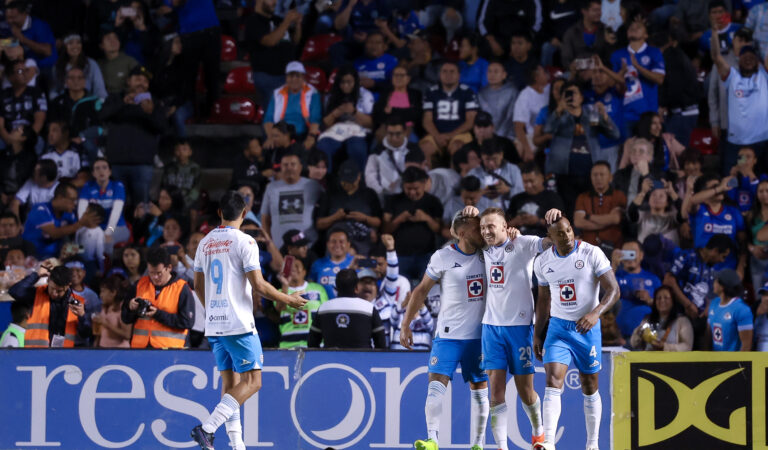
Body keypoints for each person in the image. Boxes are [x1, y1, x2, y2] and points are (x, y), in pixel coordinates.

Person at [190, 190, 306, 449]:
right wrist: (288, 299)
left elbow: (197, 285)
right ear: (244, 213)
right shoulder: (245, 242)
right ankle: (207, 429)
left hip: (215, 323)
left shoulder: (204, 242)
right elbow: (260, 286)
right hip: (239, 323)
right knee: (253, 382)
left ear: (219, 213)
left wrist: (211, 309)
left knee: (231, 386)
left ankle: (236, 445)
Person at [474, 207, 562, 449]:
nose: (486, 231)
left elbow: (554, 240)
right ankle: (502, 446)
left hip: (520, 328)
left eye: (491, 226)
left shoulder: (523, 243)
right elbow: (456, 234)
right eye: (482, 227)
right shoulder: (481, 250)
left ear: (505, 226)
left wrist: (554, 218)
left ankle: (538, 431)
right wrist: (470, 212)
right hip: (491, 328)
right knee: (496, 392)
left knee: (526, 392)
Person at [401, 211, 489, 450]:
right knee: (435, 384)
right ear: (461, 233)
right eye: (475, 228)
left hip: (479, 337)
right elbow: (420, 291)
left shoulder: (490, 251)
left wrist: (475, 210)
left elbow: (501, 229)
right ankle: (432, 440)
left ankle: (479, 443)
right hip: (448, 336)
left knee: (479, 387)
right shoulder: (443, 256)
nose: (482, 232)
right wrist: (405, 324)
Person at [533, 216, 620, 450]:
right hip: (559, 328)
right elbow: (543, 300)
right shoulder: (542, 262)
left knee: (589, 385)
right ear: (550, 238)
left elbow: (614, 290)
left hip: (587, 328)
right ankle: (548, 442)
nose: (567, 236)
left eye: (569, 230)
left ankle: (592, 444)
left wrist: (596, 313)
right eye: (560, 233)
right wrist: (537, 333)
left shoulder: (592, 253)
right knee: (552, 381)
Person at [100, 65, 166, 205]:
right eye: (137, 79)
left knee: (142, 207)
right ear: (128, 81)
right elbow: (102, 116)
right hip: (116, 163)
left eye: (145, 81)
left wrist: (150, 113)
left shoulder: (154, 103)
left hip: (142, 164)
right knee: (116, 206)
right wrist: (123, 103)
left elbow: (162, 128)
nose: (141, 83)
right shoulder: (115, 98)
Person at [711, 19, 768, 172]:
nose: (748, 58)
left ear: (757, 59)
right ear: (739, 60)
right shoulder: (732, 77)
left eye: (752, 56)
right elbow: (717, 57)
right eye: (745, 56)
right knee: (733, 178)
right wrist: (715, 34)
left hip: (762, 142)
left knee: (761, 179)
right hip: (738, 143)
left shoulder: (764, 74)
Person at [663, 233, 732, 348]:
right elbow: (668, 280)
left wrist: (707, 308)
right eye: (723, 256)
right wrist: (688, 304)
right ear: (714, 251)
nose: (722, 260)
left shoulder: (710, 268)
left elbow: (707, 293)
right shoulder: (687, 256)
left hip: (698, 320)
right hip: (679, 316)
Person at [121, 247, 194, 349]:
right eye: (151, 272)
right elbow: (125, 319)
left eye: (159, 273)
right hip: (140, 349)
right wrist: (130, 308)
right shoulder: (139, 284)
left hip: (171, 351)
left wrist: (158, 314)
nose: (155, 277)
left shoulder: (182, 288)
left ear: (169, 268)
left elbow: (187, 322)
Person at [382, 167, 443, 281]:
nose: (412, 192)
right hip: (400, 256)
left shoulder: (433, 201)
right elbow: (385, 230)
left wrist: (426, 218)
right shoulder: (393, 201)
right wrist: (399, 219)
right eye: (408, 188)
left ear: (424, 184)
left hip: (426, 255)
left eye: (416, 188)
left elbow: (439, 229)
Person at [608, 17, 665, 136]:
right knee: (627, 151)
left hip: (647, 114)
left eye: (638, 27)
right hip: (624, 114)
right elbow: (614, 85)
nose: (634, 29)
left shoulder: (654, 52)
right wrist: (622, 72)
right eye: (631, 28)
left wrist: (638, 67)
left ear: (646, 35)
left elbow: (659, 79)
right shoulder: (617, 55)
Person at [9, 262, 88, 348]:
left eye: (59, 291)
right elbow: (14, 292)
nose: (54, 293)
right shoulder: (36, 294)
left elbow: (85, 334)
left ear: (68, 286)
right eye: (52, 288)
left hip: (64, 355)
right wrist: (36, 275)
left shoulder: (77, 304)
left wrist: (82, 316)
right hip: (37, 354)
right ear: (48, 280)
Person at [315, 160, 381, 256]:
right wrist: (335, 217)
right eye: (345, 182)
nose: (348, 185)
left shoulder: (369, 194)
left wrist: (364, 218)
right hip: (336, 246)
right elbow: (319, 224)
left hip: (362, 244)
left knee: (362, 269)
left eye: (351, 181)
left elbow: (378, 222)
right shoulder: (330, 194)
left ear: (359, 176)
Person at [308, 268, 387, 349]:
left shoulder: (323, 309)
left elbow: (312, 343)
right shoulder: (369, 308)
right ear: (356, 287)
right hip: (363, 360)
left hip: (331, 360)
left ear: (336, 287)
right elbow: (381, 344)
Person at [259, 150, 323, 249]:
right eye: (285, 165)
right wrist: (269, 243)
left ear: (300, 167)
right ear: (281, 168)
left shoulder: (313, 185)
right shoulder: (271, 187)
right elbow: (265, 219)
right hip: (279, 248)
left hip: (308, 247)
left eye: (293, 164)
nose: (289, 168)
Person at [316, 65, 374, 171]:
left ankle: (359, 181)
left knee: (357, 149)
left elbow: (371, 123)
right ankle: (326, 181)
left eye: (349, 82)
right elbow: (324, 124)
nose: (345, 85)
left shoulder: (365, 95)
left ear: (355, 81)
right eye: (342, 82)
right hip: (336, 130)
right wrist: (335, 113)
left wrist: (354, 112)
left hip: (357, 129)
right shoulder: (331, 96)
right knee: (323, 147)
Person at [22, 182, 99, 259]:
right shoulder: (40, 209)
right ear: (60, 197)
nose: (75, 203)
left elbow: (76, 233)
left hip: (58, 254)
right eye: (72, 199)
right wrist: (81, 223)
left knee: (85, 250)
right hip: (34, 256)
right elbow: (54, 233)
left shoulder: (69, 214)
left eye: (76, 200)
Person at [687, 174, 747, 272]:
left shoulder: (734, 212)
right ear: (704, 192)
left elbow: (743, 242)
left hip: (728, 269)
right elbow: (693, 200)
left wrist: (741, 268)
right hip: (700, 269)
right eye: (714, 187)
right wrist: (719, 188)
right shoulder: (699, 210)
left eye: (719, 185)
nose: (721, 188)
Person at [245, 0, 303, 101]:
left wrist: (298, 25)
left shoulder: (278, 20)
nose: (275, 2)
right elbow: (269, 41)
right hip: (268, 76)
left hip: (287, 76)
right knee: (275, 114)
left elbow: (295, 40)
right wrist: (287, 22)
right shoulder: (253, 21)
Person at [421, 61, 478, 160]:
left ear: (459, 75)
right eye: (444, 71)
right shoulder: (431, 92)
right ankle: (428, 175)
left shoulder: (467, 92)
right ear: (440, 74)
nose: (448, 75)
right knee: (425, 147)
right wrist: (437, 136)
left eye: (452, 72)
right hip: (436, 134)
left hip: (459, 134)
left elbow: (471, 121)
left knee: (458, 147)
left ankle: (458, 175)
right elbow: (427, 120)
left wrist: (450, 135)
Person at [263, 61, 322, 150]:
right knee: (267, 148)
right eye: (291, 75)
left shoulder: (312, 92)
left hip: (303, 133)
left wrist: (311, 137)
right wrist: (271, 137)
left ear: (303, 77)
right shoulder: (277, 93)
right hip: (281, 133)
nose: (294, 79)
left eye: (297, 76)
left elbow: (315, 118)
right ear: (286, 78)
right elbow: (268, 118)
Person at [611, 241, 662, 341]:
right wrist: (613, 265)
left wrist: (649, 300)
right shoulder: (615, 276)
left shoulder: (654, 279)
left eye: (633, 253)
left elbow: (665, 306)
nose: (629, 257)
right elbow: (603, 292)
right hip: (619, 337)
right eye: (626, 253)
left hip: (647, 337)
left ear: (641, 255)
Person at [573, 161, 627, 250]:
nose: (598, 178)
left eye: (602, 175)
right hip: (587, 248)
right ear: (590, 177)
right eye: (595, 175)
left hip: (613, 247)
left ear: (610, 177)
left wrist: (588, 216)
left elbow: (616, 219)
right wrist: (608, 220)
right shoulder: (582, 197)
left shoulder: (619, 195)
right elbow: (578, 222)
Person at [276, 258, 327, 348]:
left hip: (316, 345)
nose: (294, 269)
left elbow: (325, 313)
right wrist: (285, 284)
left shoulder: (318, 289)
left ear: (304, 272)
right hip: (288, 345)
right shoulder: (280, 291)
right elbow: (280, 309)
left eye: (297, 266)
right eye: (291, 267)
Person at [365, 115, 419, 201]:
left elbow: (422, 175)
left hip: (409, 196)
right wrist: (380, 191)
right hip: (384, 197)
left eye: (398, 134)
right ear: (386, 132)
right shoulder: (377, 151)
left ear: (405, 132)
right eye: (390, 134)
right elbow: (370, 175)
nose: (394, 138)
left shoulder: (414, 150)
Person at [508, 163, 566, 237]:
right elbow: (504, 226)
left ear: (541, 178)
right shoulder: (516, 199)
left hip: (545, 240)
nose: (529, 185)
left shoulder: (553, 198)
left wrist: (538, 221)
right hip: (519, 241)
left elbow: (562, 224)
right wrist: (515, 221)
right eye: (525, 182)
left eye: (531, 181)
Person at [630, 286, 694, 351]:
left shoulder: (683, 321)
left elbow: (687, 347)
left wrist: (664, 347)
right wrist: (638, 333)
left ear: (673, 301)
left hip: (671, 360)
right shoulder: (647, 319)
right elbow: (634, 344)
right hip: (649, 360)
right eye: (658, 298)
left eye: (666, 298)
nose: (662, 300)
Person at [0, 60, 47, 147]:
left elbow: (39, 120)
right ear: (11, 76)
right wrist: (8, 139)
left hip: (29, 136)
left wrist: (27, 138)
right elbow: (0, 125)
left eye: (26, 70)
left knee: (39, 142)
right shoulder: (3, 95)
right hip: (7, 136)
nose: (25, 74)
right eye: (20, 71)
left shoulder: (36, 93)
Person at [467, 139, 524, 210]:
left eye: (494, 159)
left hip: (508, 213)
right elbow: (465, 195)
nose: (491, 163)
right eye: (487, 159)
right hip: (482, 213)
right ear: (482, 157)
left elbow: (522, 191)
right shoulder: (473, 173)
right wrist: (480, 193)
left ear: (501, 155)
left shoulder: (513, 169)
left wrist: (508, 191)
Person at [4, 0, 57, 74]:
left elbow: (47, 51)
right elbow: (11, 43)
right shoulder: (11, 27)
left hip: (46, 68)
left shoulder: (39, 25)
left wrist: (22, 38)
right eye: (8, 18)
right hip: (25, 68)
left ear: (24, 14)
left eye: (13, 17)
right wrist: (5, 43)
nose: (10, 21)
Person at [707, 269, 753, 351]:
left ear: (722, 287)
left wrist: (737, 363)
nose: (713, 283)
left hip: (732, 362)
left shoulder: (742, 309)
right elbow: (708, 334)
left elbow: (746, 345)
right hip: (715, 360)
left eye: (715, 281)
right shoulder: (713, 303)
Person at [52, 33, 107, 100]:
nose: (75, 46)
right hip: (65, 103)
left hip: (88, 102)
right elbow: (54, 90)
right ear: (64, 46)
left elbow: (100, 89)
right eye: (70, 43)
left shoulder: (91, 64)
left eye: (78, 43)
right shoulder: (58, 66)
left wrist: (99, 103)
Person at [513, 65, 550, 162]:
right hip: (533, 135)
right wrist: (527, 149)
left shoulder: (550, 89)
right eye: (544, 73)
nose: (547, 75)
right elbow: (518, 127)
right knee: (519, 148)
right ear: (536, 77)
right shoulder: (525, 95)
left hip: (551, 132)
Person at [309, 228, 354, 298]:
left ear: (348, 244)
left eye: (341, 242)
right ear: (328, 244)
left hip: (349, 307)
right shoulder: (317, 264)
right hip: (324, 307)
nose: (337, 245)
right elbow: (310, 288)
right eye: (333, 241)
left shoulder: (355, 262)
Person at [561, 0, 607, 69]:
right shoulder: (572, 32)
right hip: (577, 72)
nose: (599, 13)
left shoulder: (606, 30)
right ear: (584, 11)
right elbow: (566, 59)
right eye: (595, 10)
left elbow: (609, 57)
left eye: (600, 10)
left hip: (600, 71)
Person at [478, 61, 518, 140]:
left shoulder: (512, 91)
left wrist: (499, 136)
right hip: (486, 135)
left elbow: (510, 118)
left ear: (504, 75)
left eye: (496, 72)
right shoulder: (482, 93)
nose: (492, 75)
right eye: (489, 71)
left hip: (508, 136)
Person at [354, 31, 398, 97]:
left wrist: (374, 84)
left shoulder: (392, 61)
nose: (374, 46)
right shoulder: (357, 62)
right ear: (365, 45)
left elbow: (396, 85)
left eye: (378, 43)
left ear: (384, 46)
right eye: (370, 42)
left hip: (385, 99)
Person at [93, 276, 131, 348]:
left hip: (119, 352)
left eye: (103, 291)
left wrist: (106, 324)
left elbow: (127, 335)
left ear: (113, 292)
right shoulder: (104, 307)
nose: (101, 295)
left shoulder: (124, 308)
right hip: (102, 349)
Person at [98, 30, 139, 95]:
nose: (113, 41)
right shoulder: (98, 64)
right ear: (101, 45)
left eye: (115, 38)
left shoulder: (129, 61)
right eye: (108, 39)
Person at [75, 203, 106, 275]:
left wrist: (102, 269)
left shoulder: (99, 232)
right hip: (78, 262)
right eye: (85, 212)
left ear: (98, 219)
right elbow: (77, 247)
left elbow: (99, 254)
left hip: (91, 263)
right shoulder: (80, 230)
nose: (84, 214)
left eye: (87, 213)